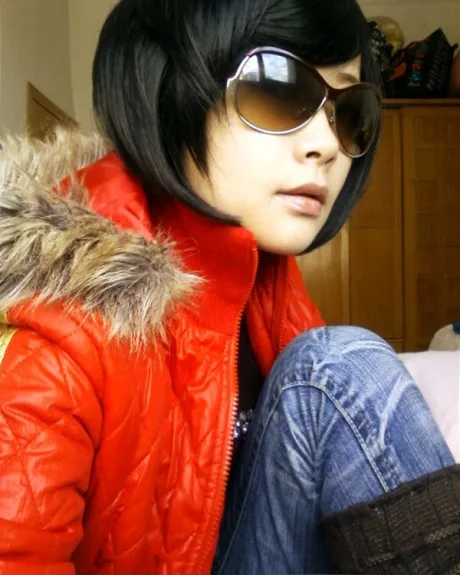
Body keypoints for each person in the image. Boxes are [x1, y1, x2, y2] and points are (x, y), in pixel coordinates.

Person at [0, 0, 458, 573]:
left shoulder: (268, 280)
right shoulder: (58, 326)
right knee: (340, 365)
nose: (325, 144)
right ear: (170, 89)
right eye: (277, 87)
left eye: (349, 112)